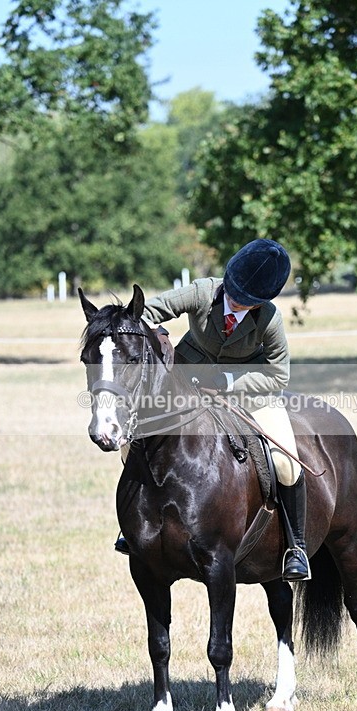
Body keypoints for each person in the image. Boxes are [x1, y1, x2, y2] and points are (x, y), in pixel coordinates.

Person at [115, 239, 310, 581]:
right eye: (233, 291)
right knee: (132, 443)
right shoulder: (203, 292)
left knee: (287, 464)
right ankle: (135, 528)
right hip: (186, 382)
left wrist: (229, 381)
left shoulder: (269, 319)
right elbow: (145, 313)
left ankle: (296, 547)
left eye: (245, 301)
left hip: (250, 394)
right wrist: (155, 336)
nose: (235, 302)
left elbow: (279, 374)